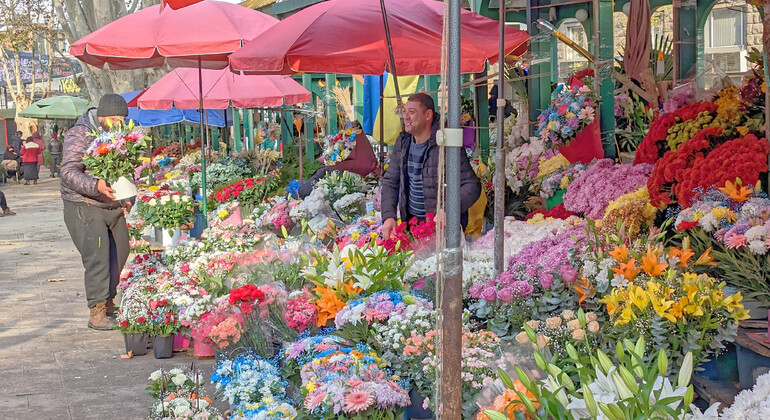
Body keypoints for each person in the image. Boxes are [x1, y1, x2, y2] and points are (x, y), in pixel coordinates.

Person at [61, 94, 131, 331]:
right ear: (101, 117)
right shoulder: (79, 134)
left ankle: (110, 302)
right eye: (114, 119)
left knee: (121, 251)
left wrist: (127, 196)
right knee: (98, 258)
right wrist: (95, 185)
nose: (118, 124)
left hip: (112, 205)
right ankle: (97, 311)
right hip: (84, 205)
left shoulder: (121, 135)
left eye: (122, 119)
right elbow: (69, 172)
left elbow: (127, 169)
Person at [380, 93, 481, 239]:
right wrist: (388, 216)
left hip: (442, 232)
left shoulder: (446, 144)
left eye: (412, 112)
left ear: (428, 115)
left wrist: (448, 210)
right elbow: (391, 182)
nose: (405, 117)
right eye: (405, 112)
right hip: (413, 228)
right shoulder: (403, 143)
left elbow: (471, 185)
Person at [297, 120, 378, 198]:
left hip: (349, 170)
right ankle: (302, 192)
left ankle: (301, 193)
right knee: (323, 172)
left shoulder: (358, 139)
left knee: (322, 172)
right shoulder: (361, 140)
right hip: (348, 169)